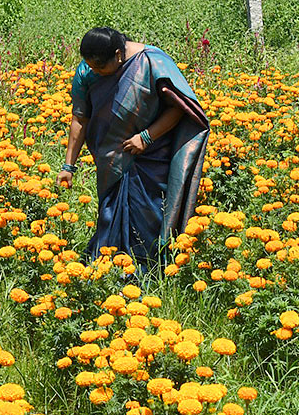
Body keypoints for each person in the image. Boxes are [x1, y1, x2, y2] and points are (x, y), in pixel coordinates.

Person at [58, 28, 209, 268]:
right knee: (110, 216)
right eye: (90, 66)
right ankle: (106, 271)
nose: (93, 72)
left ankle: (150, 271)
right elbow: (80, 118)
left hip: (151, 159)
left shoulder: (151, 62)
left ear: (118, 55)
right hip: (111, 160)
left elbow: (180, 108)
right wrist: (69, 165)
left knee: (149, 217)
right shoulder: (87, 69)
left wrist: (147, 137)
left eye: (99, 68)